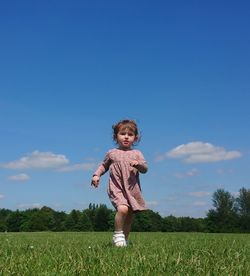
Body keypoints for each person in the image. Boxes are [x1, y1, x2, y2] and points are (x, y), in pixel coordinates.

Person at [91, 119, 148, 247]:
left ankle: (124, 240)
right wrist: (96, 175)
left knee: (129, 215)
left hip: (132, 189)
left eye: (130, 134)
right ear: (116, 136)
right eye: (122, 134)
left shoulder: (137, 153)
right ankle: (118, 235)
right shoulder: (112, 153)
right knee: (122, 209)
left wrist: (138, 165)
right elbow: (103, 166)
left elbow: (145, 169)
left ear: (135, 138)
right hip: (116, 187)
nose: (126, 137)